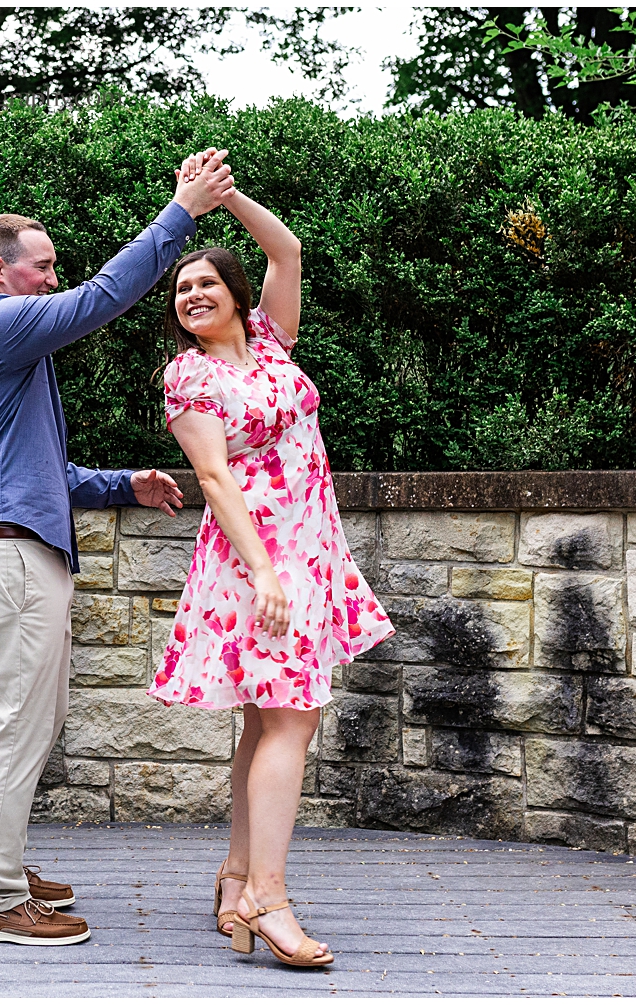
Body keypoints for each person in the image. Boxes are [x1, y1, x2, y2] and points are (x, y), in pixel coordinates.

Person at [0, 149, 237, 947]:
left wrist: (119, 484)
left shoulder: (8, 355)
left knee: (26, 721)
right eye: (41, 268)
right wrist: (183, 211)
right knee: (16, 725)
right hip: (8, 560)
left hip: (11, 551)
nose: (52, 280)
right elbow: (102, 297)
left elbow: (41, 471)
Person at [150, 163, 395, 967]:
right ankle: (268, 894)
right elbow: (215, 478)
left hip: (311, 547)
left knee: (267, 719)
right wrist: (263, 572)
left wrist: (224, 200)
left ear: (231, 291)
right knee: (291, 717)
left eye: (204, 281)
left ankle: (235, 875)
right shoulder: (189, 376)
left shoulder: (273, 341)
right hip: (259, 559)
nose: (191, 295)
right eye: (180, 289)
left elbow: (287, 251)